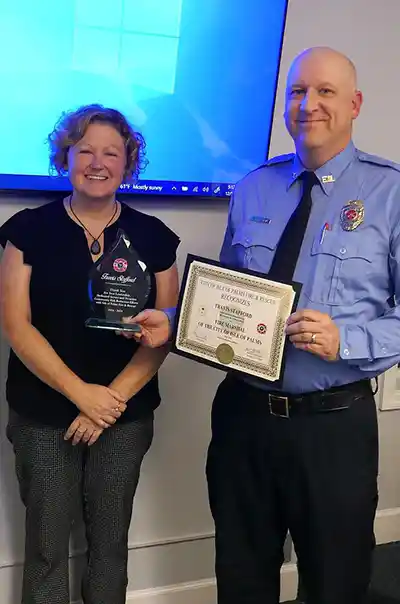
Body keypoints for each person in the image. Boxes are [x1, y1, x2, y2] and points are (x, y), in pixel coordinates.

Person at [128, 47, 400, 604]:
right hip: (244, 419)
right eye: (298, 92)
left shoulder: (390, 192)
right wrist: (174, 323)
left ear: (354, 104)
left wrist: (349, 339)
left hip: (333, 425)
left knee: (335, 580)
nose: (309, 104)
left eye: (325, 92)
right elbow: (230, 300)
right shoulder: (256, 186)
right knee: (241, 570)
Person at [0, 104, 180, 604]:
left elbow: (165, 331)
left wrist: (109, 402)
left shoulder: (156, 238)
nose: (97, 162)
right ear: (66, 157)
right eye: (85, 151)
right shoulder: (27, 230)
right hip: (44, 414)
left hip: (123, 416)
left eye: (111, 152)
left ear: (128, 163)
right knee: (47, 549)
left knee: (109, 547)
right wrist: (82, 395)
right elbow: (16, 324)